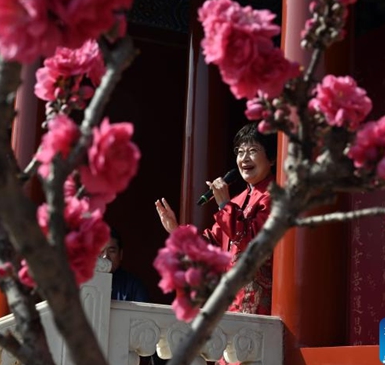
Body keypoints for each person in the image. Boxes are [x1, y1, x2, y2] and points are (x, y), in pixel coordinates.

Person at [155, 123, 276, 316]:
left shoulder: (274, 196)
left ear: (271, 158)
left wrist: (224, 205)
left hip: (258, 304)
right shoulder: (237, 200)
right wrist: (176, 229)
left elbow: (252, 242)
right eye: (240, 151)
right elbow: (210, 246)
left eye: (253, 150)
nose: (244, 158)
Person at [101, 227, 150, 303]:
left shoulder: (133, 286)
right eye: (101, 251)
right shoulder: (85, 282)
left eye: (111, 251)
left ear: (120, 254)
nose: (105, 256)